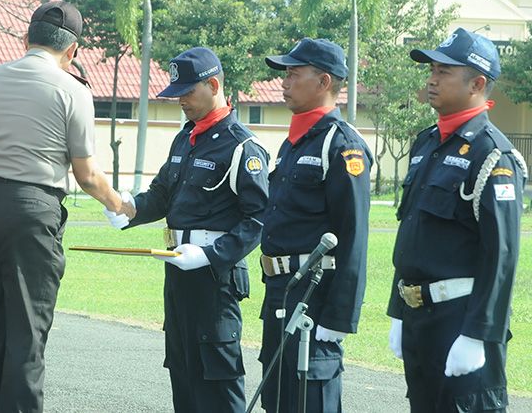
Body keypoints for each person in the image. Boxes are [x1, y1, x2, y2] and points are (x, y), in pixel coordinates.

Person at [0, 0, 131, 413]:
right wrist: (120, 204)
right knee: (26, 336)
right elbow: (86, 174)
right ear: (73, 51)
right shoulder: (73, 90)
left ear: (27, 39)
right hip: (30, 209)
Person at [104, 47, 270, 413]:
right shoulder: (186, 138)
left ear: (213, 85)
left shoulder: (242, 146)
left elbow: (258, 218)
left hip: (215, 279)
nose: (180, 100)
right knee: (183, 372)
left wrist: (212, 255)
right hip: (178, 273)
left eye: (187, 92)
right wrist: (128, 210)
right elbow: (164, 194)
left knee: (218, 378)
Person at [386, 28, 526, 413]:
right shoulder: (426, 144)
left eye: (445, 71)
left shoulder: (494, 155)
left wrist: (478, 334)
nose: (431, 78)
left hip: (461, 320)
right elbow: (411, 235)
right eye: (432, 68)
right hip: (421, 320)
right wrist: (398, 310)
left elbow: (502, 254)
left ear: (477, 83)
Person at [258, 38, 372, 412]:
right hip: (280, 289)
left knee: (310, 400)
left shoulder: (342, 146)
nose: (284, 82)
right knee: (277, 399)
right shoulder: (293, 143)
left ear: (324, 82)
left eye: (294, 74)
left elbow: (353, 237)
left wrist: (339, 317)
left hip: (314, 296)